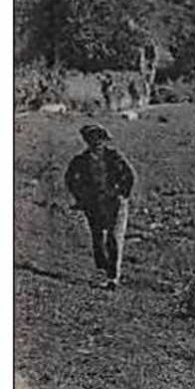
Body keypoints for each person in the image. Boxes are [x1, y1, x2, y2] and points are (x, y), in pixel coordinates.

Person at [64, 124, 136, 290]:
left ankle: (113, 278)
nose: (96, 143)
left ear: (104, 141)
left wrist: (122, 194)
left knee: (114, 238)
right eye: (92, 140)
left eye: (99, 139)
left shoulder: (114, 157)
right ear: (87, 142)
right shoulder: (80, 161)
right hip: (94, 204)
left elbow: (129, 176)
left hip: (115, 203)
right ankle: (102, 273)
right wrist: (81, 197)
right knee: (98, 239)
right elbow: (70, 180)